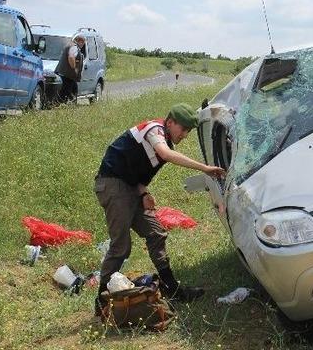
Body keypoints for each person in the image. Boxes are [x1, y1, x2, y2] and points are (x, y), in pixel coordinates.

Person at [93, 103, 226, 316]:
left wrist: (143, 193)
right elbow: (164, 154)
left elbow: (134, 168)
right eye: (182, 129)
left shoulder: (163, 139)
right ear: (170, 122)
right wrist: (205, 169)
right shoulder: (155, 129)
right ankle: (102, 301)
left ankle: (172, 289)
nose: (184, 135)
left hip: (129, 187)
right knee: (121, 247)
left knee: (156, 233)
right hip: (113, 185)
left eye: (188, 131)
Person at [55, 34, 86, 103]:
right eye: (83, 42)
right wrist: (74, 68)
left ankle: (69, 105)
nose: (83, 44)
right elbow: (71, 57)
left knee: (72, 91)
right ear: (80, 41)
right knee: (66, 93)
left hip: (66, 75)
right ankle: (62, 106)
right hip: (67, 76)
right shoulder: (74, 47)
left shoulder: (71, 46)